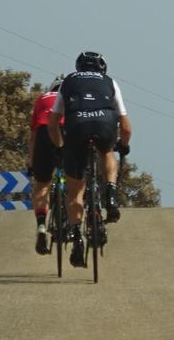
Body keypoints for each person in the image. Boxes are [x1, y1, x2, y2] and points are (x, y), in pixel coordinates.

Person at [48, 51, 132, 268]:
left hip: (76, 126)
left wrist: (60, 148)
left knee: (75, 192)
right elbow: (126, 126)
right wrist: (123, 145)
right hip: (105, 124)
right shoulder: (110, 82)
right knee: (106, 152)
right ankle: (110, 193)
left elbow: (53, 122)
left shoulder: (68, 81)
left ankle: (76, 237)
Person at [28, 76, 65, 255]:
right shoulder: (72, 95)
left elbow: (33, 137)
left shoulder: (42, 99)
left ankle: (42, 224)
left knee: (42, 184)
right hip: (65, 131)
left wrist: (31, 163)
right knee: (75, 179)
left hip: (44, 132)